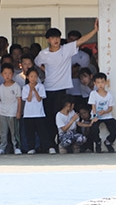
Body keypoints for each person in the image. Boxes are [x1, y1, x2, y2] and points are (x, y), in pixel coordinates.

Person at [35, 20, 98, 154]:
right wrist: (46, 71)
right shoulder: (43, 54)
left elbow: (80, 41)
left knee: (64, 117)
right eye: (52, 38)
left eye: (57, 37)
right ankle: (50, 145)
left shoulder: (66, 49)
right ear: (48, 40)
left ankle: (64, 144)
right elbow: (37, 63)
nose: (55, 40)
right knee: (50, 119)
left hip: (62, 90)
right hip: (48, 90)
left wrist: (94, 31)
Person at [88, 72, 116, 153]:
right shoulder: (93, 94)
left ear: (106, 82)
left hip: (107, 116)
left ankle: (108, 141)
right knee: (94, 128)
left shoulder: (109, 95)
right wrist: (95, 116)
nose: (100, 85)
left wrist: (105, 112)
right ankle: (98, 142)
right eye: (98, 83)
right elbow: (93, 106)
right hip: (96, 116)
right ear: (95, 83)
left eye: (102, 82)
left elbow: (110, 108)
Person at [0, 63, 23, 155]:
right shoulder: (1, 87)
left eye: (9, 73)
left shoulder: (16, 86)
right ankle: (2, 147)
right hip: (2, 112)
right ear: (2, 74)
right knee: (2, 131)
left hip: (13, 112)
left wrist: (19, 111)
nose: (7, 75)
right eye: (5, 73)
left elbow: (19, 100)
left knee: (14, 132)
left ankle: (17, 147)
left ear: (13, 74)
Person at [21, 67, 46, 154]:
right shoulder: (25, 88)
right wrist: (31, 90)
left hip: (39, 113)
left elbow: (39, 99)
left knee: (41, 131)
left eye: (35, 76)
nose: (33, 78)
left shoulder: (41, 86)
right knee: (30, 132)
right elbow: (28, 99)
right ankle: (31, 147)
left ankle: (43, 147)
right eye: (31, 76)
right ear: (28, 77)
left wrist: (35, 90)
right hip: (29, 113)